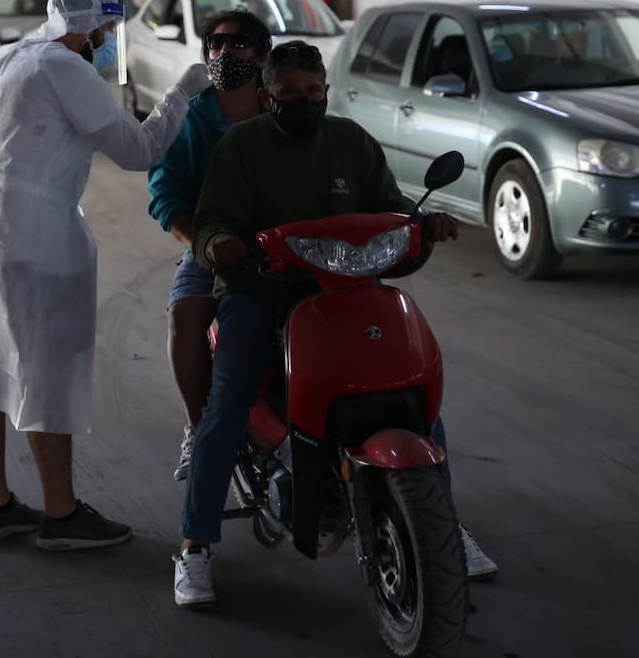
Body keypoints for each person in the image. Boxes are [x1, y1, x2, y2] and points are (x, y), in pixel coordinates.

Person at [0, 0, 211, 551]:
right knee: (47, 369)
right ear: (88, 29)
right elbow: (138, 151)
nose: (110, 42)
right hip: (35, 232)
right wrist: (182, 93)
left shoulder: (10, 60)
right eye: (107, 31)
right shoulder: (65, 69)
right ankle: (61, 515)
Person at [172, 41, 496, 607]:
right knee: (225, 406)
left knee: (412, 398)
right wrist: (221, 242)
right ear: (269, 94)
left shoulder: (350, 141)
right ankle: (195, 546)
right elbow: (213, 217)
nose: (303, 100)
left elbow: (392, 205)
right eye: (290, 92)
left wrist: (423, 224)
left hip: (348, 289)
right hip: (262, 291)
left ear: (326, 90)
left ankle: (440, 525)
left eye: (313, 91)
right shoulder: (243, 146)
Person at [147, 9, 271, 483]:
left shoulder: (283, 107)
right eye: (215, 45)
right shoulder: (191, 116)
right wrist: (204, 245)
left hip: (291, 243)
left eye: (238, 44)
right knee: (186, 315)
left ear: (262, 54)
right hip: (212, 246)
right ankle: (201, 428)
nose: (225, 53)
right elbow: (165, 193)